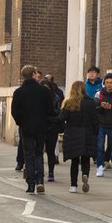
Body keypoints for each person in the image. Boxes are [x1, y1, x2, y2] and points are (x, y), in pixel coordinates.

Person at [11, 65, 56, 194]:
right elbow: (50, 111)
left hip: (26, 127)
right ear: (33, 75)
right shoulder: (43, 91)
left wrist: (21, 122)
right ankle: (40, 181)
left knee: (28, 155)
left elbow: (15, 112)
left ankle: (30, 185)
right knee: (39, 154)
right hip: (41, 127)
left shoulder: (19, 92)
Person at [53, 81, 97, 193]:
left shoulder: (68, 103)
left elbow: (60, 119)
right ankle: (85, 174)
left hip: (73, 134)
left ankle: (73, 185)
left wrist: (49, 119)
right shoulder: (91, 103)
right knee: (86, 159)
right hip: (87, 134)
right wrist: (95, 134)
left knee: (74, 161)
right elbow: (95, 120)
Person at [40, 77, 64, 183]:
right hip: (40, 128)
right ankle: (40, 172)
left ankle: (51, 172)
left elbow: (59, 111)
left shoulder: (56, 98)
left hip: (51, 128)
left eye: (47, 88)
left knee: (50, 152)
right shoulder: (37, 98)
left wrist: (49, 115)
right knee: (39, 152)